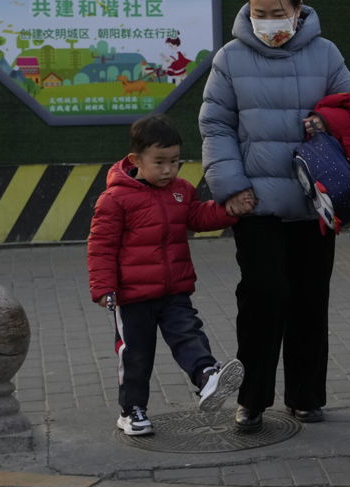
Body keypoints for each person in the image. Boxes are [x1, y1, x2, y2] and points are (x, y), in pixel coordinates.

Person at [200, 0, 350, 433]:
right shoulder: (229, 59)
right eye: (259, 13)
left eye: (278, 13)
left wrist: (328, 124)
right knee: (263, 298)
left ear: (297, 10)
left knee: (311, 299)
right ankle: (252, 399)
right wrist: (230, 187)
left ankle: (306, 397)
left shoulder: (326, 54)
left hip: (316, 205)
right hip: (257, 205)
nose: (269, 22)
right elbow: (216, 126)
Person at [87, 114, 245, 436]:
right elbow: (101, 246)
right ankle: (132, 411)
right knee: (136, 355)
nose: (168, 170)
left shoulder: (181, 191)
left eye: (174, 161)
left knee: (188, 333)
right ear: (135, 160)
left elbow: (198, 217)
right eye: (159, 162)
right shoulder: (116, 199)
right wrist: (104, 287)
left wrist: (229, 210)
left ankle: (207, 377)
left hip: (174, 290)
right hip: (132, 298)